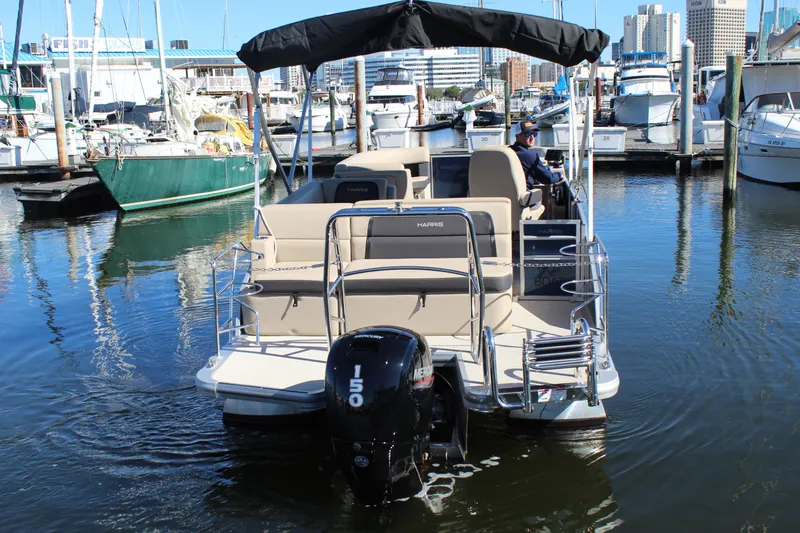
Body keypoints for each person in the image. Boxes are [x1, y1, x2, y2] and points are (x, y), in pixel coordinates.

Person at [509, 120, 563, 189]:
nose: (532, 138)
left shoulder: (509, 151)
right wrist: (559, 175)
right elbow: (547, 178)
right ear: (517, 137)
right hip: (524, 195)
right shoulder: (529, 155)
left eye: (534, 134)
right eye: (528, 134)